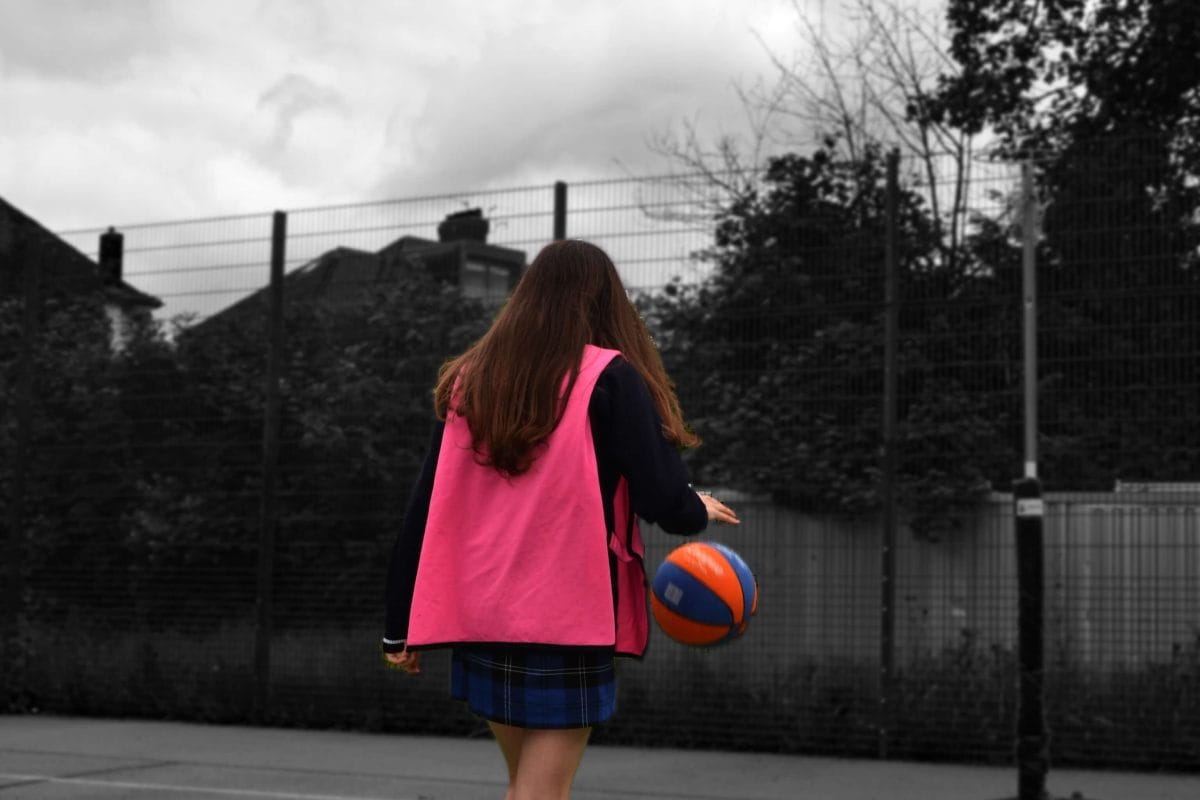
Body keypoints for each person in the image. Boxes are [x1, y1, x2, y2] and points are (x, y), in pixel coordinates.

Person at [381, 238, 738, 800]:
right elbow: (663, 499)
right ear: (603, 302)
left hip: (481, 613)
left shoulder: (470, 381)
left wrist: (398, 622)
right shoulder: (608, 376)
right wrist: (698, 508)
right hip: (563, 619)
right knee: (540, 794)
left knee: (526, 787)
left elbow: (425, 506)